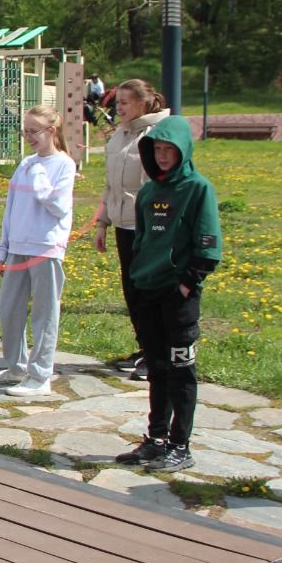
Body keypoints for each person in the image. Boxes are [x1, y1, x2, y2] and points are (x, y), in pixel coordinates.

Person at [114, 115, 222, 473]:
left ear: (182, 150)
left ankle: (180, 444)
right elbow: (142, 238)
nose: (161, 156)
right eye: (156, 149)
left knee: (180, 370)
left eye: (168, 150)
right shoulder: (148, 192)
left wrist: (186, 282)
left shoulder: (198, 188)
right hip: (147, 289)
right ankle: (156, 439)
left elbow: (208, 247)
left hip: (178, 296)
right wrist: (138, 276)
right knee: (156, 369)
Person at [0, 106, 76, 398]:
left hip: (46, 248)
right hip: (18, 247)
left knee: (44, 313)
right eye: (25, 131)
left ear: (52, 131)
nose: (28, 137)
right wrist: (2, 248)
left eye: (34, 131)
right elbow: (11, 208)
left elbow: (57, 206)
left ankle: (40, 376)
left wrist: (40, 175)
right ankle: (16, 366)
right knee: (8, 309)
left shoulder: (64, 165)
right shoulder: (25, 164)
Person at [94, 79, 170, 382]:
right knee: (132, 291)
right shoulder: (119, 136)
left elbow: (162, 183)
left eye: (125, 103)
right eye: (118, 103)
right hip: (122, 224)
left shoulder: (157, 134)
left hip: (147, 226)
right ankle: (145, 347)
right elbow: (111, 184)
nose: (119, 108)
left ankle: (159, 355)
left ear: (143, 103)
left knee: (150, 292)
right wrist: (103, 221)